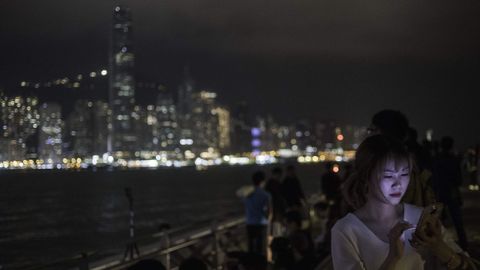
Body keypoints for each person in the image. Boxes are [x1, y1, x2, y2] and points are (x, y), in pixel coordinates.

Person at [331, 135, 474, 270]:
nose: (398, 184)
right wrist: (393, 257)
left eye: (404, 174)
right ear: (366, 176)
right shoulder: (346, 230)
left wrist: (438, 246)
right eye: (388, 175)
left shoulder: (421, 219)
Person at [369, 109, 436, 207]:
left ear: (381, 132)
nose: (369, 134)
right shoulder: (415, 159)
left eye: (371, 130)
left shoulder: (389, 164)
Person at [433, 136, 468, 250]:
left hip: (440, 192)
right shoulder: (454, 160)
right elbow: (458, 180)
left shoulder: (436, 159)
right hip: (452, 192)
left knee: (438, 221)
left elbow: (434, 178)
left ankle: (440, 244)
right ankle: (463, 244)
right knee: (457, 221)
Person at [244, 170, 272, 256]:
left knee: (251, 246)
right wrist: (268, 221)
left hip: (250, 222)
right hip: (261, 223)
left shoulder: (247, 194)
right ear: (263, 181)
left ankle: (250, 265)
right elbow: (269, 211)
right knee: (261, 247)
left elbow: (238, 193)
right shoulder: (266, 195)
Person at [265, 167, 287, 237]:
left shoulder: (271, 184)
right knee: (277, 226)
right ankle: (277, 239)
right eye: (279, 175)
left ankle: (276, 238)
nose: (279, 176)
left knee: (276, 226)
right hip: (276, 209)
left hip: (276, 209)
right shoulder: (274, 184)